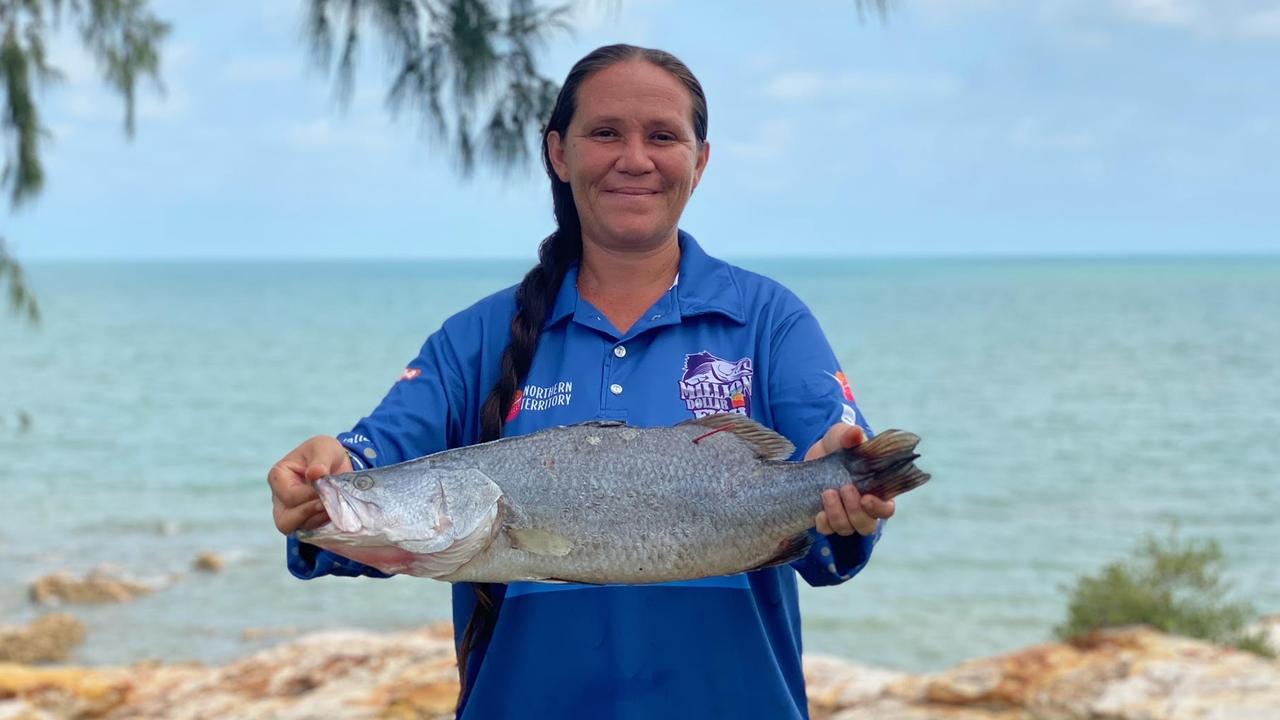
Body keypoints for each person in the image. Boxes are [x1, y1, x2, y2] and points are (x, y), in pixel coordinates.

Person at [268, 44, 896, 720]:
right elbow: (380, 477)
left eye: (662, 136)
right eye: (605, 133)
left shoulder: (768, 320)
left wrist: (847, 480)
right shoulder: (477, 338)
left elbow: (833, 545)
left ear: (700, 161)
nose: (634, 159)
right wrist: (323, 489)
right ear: (559, 154)